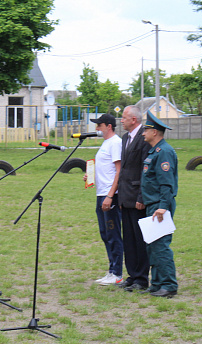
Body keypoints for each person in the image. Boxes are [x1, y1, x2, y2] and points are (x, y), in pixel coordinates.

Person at [140, 110, 178, 297]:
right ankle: (156, 283)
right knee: (152, 245)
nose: (143, 133)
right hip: (152, 204)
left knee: (161, 245)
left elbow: (166, 183)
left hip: (160, 205)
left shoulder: (164, 152)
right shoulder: (154, 151)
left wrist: (163, 206)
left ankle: (169, 285)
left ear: (155, 132)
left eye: (146, 130)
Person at [85, 113, 123, 286]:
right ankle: (111, 270)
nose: (96, 128)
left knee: (113, 233)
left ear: (108, 126)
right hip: (101, 194)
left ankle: (117, 273)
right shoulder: (106, 143)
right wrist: (90, 176)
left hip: (110, 196)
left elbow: (119, 171)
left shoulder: (115, 143)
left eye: (99, 125)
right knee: (105, 233)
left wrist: (110, 195)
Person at [117, 105, 150, 292]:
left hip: (137, 197)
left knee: (139, 239)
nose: (121, 121)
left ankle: (142, 278)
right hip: (125, 197)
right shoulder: (125, 139)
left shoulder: (144, 138)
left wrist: (141, 196)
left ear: (134, 120)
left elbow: (145, 171)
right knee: (128, 238)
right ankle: (132, 274)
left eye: (124, 118)